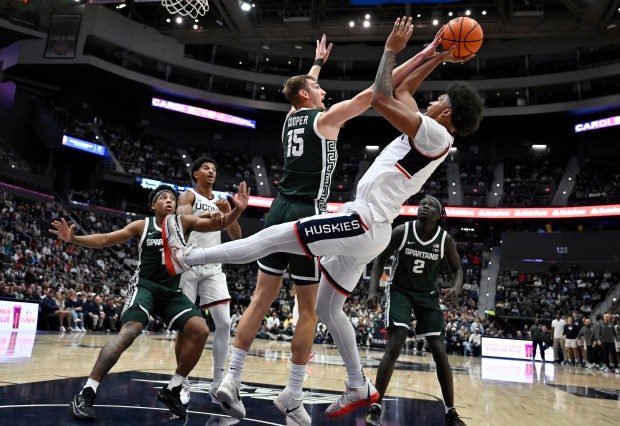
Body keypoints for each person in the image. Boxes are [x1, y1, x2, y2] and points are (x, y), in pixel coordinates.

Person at [161, 16, 483, 419]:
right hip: (365, 223)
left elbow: (382, 97)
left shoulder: (435, 134)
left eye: (439, 102)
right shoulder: (424, 127)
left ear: (447, 111)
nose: (431, 101)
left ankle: (186, 257)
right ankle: (357, 385)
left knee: (275, 238)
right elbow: (399, 88)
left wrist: (392, 50)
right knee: (328, 310)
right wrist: (433, 53)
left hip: (364, 221)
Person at [50, 183, 249, 420]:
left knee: (200, 329)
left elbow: (222, 224)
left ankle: (173, 388)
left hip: (171, 291)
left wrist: (237, 210)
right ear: (153, 205)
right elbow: (105, 239)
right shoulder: (141, 226)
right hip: (144, 285)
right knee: (130, 331)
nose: (169, 201)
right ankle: (87, 392)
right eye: (163, 198)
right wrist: (74, 238)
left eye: (172, 199)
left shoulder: (183, 223)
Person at [363, 196, 466, 426]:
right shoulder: (402, 231)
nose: (424, 206)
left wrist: (457, 288)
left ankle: (451, 412)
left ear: (439, 215)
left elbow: (457, 268)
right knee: (396, 342)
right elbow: (380, 260)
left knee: (440, 351)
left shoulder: (445, 240)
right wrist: (373, 291)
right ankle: (375, 408)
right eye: (422, 204)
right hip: (400, 290)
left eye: (431, 205)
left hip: (428, 296)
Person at [175, 156, 243, 406]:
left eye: (214, 169)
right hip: (189, 264)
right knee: (186, 327)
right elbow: (181, 223)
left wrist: (230, 214)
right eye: (206, 168)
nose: (211, 171)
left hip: (214, 266)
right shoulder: (188, 196)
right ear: (195, 174)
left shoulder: (221, 201)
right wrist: (210, 220)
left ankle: (217, 383)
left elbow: (236, 236)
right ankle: (181, 381)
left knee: (224, 323)